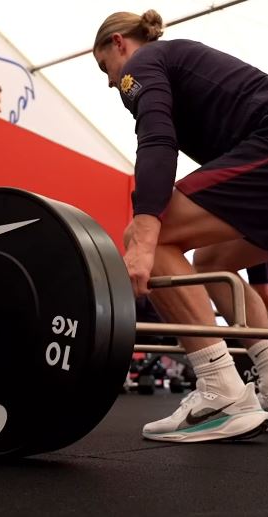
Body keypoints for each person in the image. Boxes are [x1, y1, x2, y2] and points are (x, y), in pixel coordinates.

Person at [93, 9, 268, 443]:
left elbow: (156, 139)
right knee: (211, 259)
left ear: (119, 43)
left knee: (145, 234)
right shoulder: (180, 61)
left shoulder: (141, 64)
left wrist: (145, 237)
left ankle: (221, 391)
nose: (111, 81)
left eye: (104, 67)